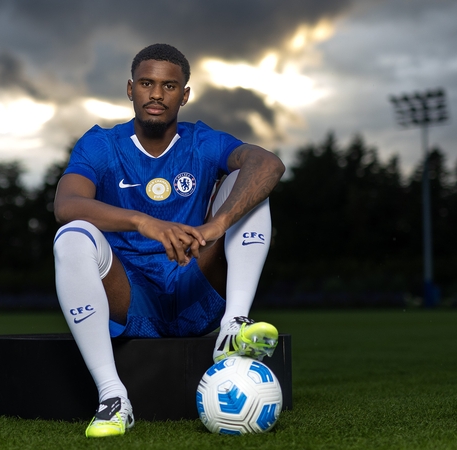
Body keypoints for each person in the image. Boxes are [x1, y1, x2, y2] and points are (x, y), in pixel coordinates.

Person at [53, 43, 285, 438]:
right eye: (146, 83)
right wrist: (142, 222)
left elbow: (269, 164)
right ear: (130, 89)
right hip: (131, 297)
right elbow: (65, 203)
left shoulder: (202, 142)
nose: (156, 94)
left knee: (247, 187)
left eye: (169, 86)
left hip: (195, 286)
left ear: (185, 94)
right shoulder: (101, 145)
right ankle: (113, 398)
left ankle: (234, 326)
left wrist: (215, 226)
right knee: (71, 235)